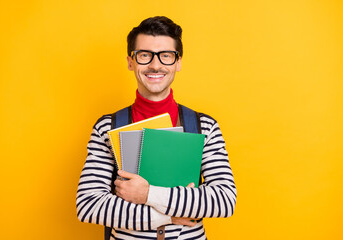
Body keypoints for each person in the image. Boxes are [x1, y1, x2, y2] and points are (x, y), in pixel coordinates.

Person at [76, 16, 237, 239]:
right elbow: (88, 205)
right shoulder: (107, 127)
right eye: (144, 55)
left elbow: (224, 200)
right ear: (130, 61)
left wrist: (148, 194)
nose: (155, 65)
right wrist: (169, 216)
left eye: (166, 56)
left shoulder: (204, 126)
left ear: (178, 62)